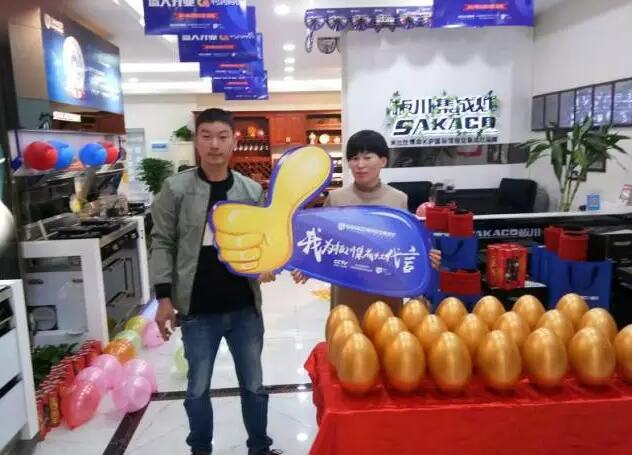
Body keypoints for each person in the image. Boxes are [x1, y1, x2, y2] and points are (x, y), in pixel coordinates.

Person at [150, 108, 281, 455]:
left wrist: (268, 263)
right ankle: (200, 449)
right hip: (197, 310)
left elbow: (264, 239)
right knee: (197, 390)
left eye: (222, 137)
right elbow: (161, 242)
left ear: (234, 141)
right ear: (196, 141)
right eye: (206, 136)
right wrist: (164, 297)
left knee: (254, 387)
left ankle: (259, 447)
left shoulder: (250, 190)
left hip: (244, 308)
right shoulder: (175, 189)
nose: (214, 145)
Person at [292, 129, 442, 318]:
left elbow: (405, 246)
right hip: (346, 289)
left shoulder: (398, 199)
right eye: (354, 158)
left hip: (387, 289)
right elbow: (323, 244)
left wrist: (426, 258)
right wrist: (307, 267)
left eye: (367, 157)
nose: (360, 165)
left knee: (386, 332)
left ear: (383, 161)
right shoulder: (336, 199)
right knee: (346, 331)